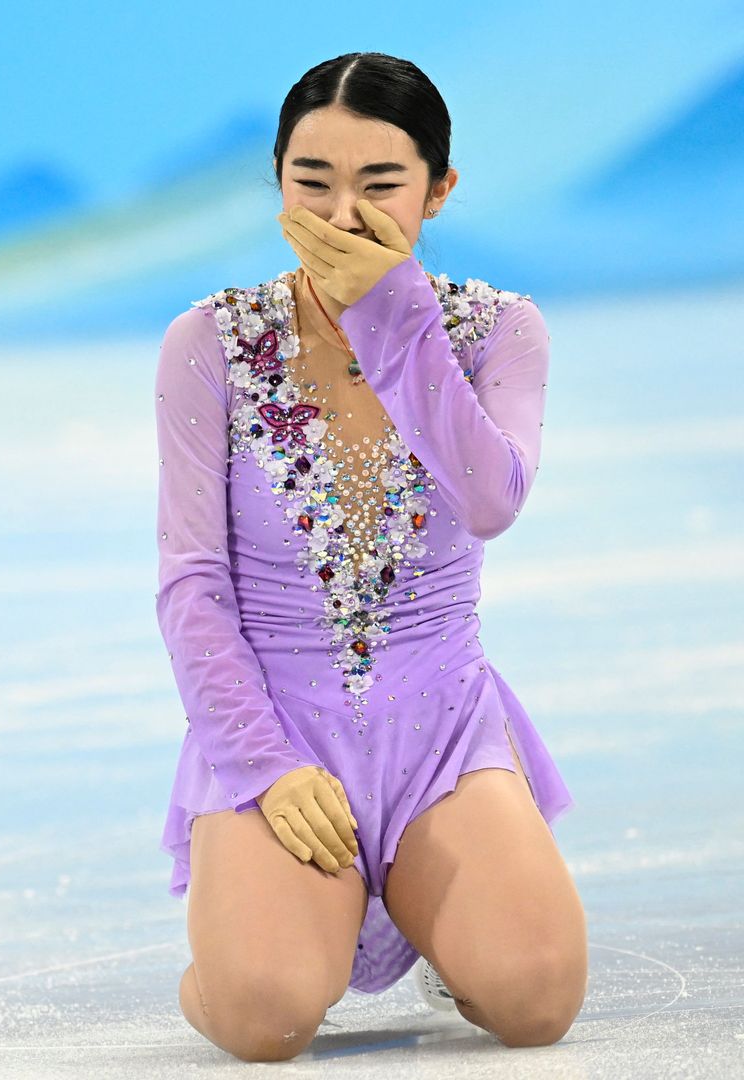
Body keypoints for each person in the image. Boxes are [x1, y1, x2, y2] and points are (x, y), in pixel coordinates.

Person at [152, 52, 587, 1061]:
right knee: (265, 1021)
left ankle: (443, 924)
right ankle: (239, 949)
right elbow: (191, 585)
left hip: (441, 729)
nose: (343, 216)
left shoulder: (497, 332)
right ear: (278, 183)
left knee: (534, 1002)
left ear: (439, 189)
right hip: (279, 727)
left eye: (380, 184)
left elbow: (490, 500)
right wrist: (263, 766)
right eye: (312, 182)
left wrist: (393, 313)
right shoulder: (209, 343)